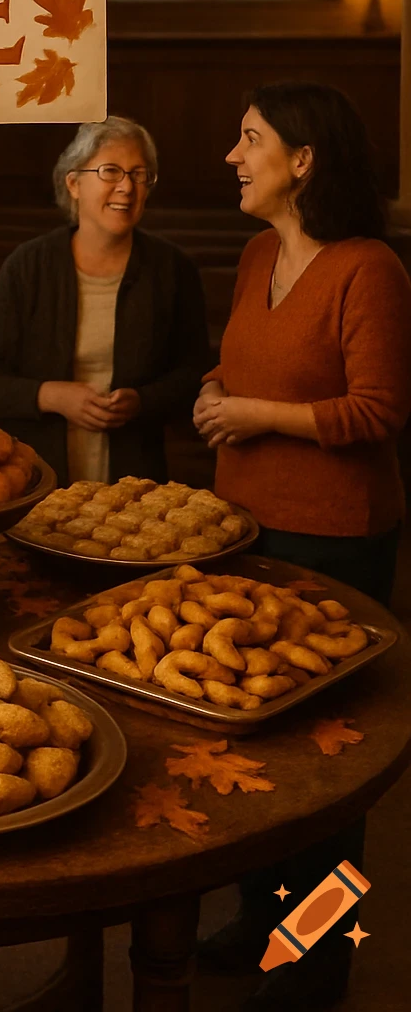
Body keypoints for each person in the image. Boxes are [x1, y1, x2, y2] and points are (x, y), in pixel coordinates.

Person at [193, 82, 411, 1012]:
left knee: (325, 765)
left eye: (250, 140)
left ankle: (317, 956)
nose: (233, 157)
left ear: (304, 160)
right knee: (260, 749)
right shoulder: (254, 256)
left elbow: (378, 411)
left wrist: (254, 414)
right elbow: (247, 364)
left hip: (334, 541)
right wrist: (215, 391)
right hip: (243, 530)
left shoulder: (369, 270)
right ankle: (260, 923)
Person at [0, 116, 211, 485]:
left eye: (139, 174)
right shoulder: (29, 265)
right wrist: (49, 395)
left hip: (136, 480)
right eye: (111, 171)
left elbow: (195, 375)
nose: (127, 187)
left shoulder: (172, 268)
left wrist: (142, 401)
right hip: (36, 478)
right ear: (74, 183)